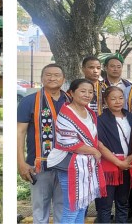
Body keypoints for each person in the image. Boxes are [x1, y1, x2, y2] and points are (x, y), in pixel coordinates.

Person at [17, 64, 67, 224]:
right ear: (42, 78)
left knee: (63, 208)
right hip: (39, 165)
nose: (52, 78)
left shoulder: (72, 101)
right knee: (40, 210)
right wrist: (21, 163)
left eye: (57, 75)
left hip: (67, 165)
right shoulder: (29, 101)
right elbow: (19, 132)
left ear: (63, 79)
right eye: (48, 75)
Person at [49, 79, 104, 223]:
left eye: (90, 92)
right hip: (70, 165)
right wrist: (94, 151)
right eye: (83, 91)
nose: (87, 95)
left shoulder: (90, 112)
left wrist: (93, 151)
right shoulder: (66, 113)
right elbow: (69, 142)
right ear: (72, 93)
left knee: (82, 206)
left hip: (86, 167)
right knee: (71, 208)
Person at [95, 86, 132, 223]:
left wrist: (129, 159)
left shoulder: (131, 117)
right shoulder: (100, 119)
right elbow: (99, 145)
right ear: (106, 101)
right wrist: (119, 163)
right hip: (108, 167)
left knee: (123, 203)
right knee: (105, 205)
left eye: (121, 98)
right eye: (113, 98)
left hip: (128, 165)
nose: (118, 101)